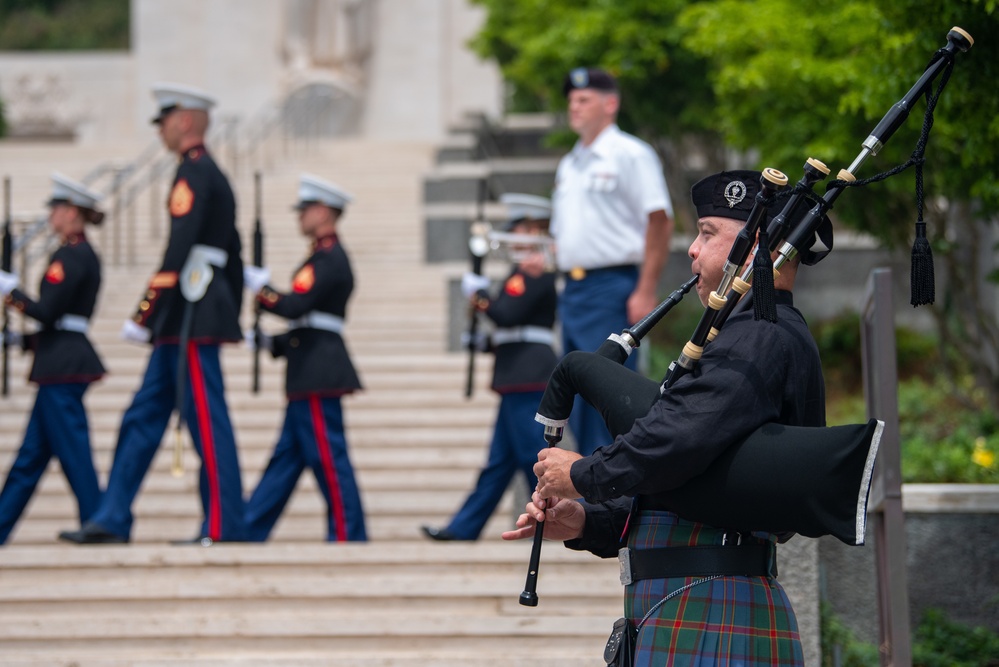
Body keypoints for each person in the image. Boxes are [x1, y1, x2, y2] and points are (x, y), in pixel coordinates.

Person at [504, 170, 827, 665]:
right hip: (691, 603)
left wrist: (583, 474)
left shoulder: (761, 334)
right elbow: (694, 488)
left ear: (756, 241)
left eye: (707, 233)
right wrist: (584, 522)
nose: (693, 250)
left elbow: (679, 440)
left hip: (713, 610)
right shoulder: (746, 337)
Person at [60, 82, 246, 545]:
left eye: (164, 121)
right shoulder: (206, 173)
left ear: (184, 121)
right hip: (186, 316)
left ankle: (224, 526)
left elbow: (180, 248)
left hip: (191, 316)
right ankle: (112, 518)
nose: (160, 130)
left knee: (206, 423)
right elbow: (234, 252)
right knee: (141, 419)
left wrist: (145, 311)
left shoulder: (195, 173)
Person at [551, 67, 674, 457]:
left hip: (612, 286)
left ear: (611, 104)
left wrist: (646, 288)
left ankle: (616, 499)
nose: (575, 107)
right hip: (573, 289)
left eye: (584, 100)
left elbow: (659, 219)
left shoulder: (630, 154)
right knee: (579, 395)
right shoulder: (570, 163)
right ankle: (588, 497)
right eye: (571, 101)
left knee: (610, 392)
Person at [422, 193, 558, 541]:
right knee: (499, 463)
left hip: (527, 375)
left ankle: (558, 520)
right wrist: (483, 341)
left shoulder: (535, 272)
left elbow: (507, 314)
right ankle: (463, 528)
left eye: (520, 229)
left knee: (533, 457)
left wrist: (481, 298)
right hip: (517, 372)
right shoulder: (522, 273)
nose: (513, 236)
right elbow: (511, 327)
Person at [242, 174, 367, 542]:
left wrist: (262, 291)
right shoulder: (319, 255)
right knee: (284, 463)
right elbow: (306, 321)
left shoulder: (328, 257)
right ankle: (247, 530)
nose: (300, 215)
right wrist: (271, 343)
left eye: (306, 209)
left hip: (318, 370)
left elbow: (297, 305)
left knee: (330, 460)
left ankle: (348, 535)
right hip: (308, 367)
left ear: (325, 212)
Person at [0, 174, 106, 544]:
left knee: (73, 452)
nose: (51, 214)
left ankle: (99, 519)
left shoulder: (72, 254)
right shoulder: (73, 252)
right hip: (57, 360)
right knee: (30, 458)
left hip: (63, 366)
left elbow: (48, 312)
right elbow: (58, 321)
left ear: (72, 212)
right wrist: (19, 339)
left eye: (57, 208)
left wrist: (11, 293)